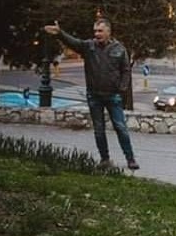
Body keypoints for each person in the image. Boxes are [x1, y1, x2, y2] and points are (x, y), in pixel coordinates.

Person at [44, 18, 138, 170]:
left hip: (113, 96)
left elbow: (126, 71)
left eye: (100, 31)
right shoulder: (89, 46)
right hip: (94, 96)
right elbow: (74, 42)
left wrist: (122, 89)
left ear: (108, 31)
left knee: (121, 127)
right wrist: (60, 33)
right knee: (99, 130)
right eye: (95, 31)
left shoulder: (119, 49)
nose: (97, 34)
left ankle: (130, 158)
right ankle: (105, 159)